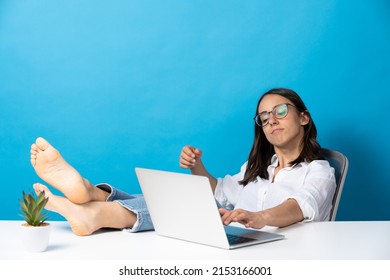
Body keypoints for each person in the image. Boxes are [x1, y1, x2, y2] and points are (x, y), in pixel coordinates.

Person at [30, 88, 336, 236]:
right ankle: (92, 197)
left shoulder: (319, 171)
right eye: (264, 117)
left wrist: (260, 217)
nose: (271, 121)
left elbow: (299, 206)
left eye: (280, 111)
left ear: (304, 117)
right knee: (170, 198)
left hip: (269, 247)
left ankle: (96, 206)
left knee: (175, 209)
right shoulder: (259, 168)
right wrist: (196, 167)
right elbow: (220, 192)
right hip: (234, 234)